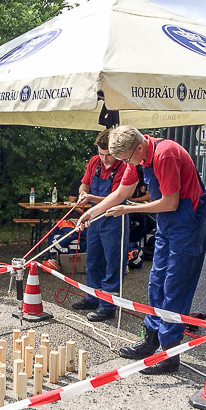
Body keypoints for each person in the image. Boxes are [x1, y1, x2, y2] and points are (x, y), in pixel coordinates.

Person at [77, 125, 206, 374]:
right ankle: (151, 338)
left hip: (188, 221)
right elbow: (122, 192)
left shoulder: (165, 154)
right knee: (156, 281)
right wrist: (92, 212)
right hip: (168, 222)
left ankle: (169, 352)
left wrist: (128, 209)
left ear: (138, 148)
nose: (128, 164)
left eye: (127, 159)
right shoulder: (137, 155)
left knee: (176, 285)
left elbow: (170, 203)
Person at [71, 129, 136, 322]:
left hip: (114, 218)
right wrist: (83, 193)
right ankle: (92, 297)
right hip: (94, 219)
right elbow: (84, 184)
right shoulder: (94, 162)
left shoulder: (124, 166)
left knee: (113, 262)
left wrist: (92, 198)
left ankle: (108, 306)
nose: (105, 159)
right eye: (101, 154)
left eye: (108, 155)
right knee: (93, 259)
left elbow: (118, 197)